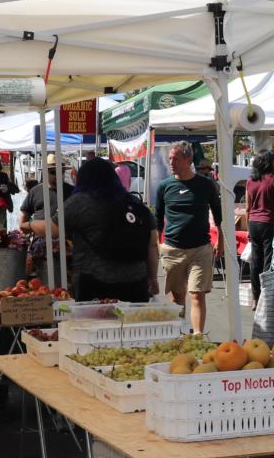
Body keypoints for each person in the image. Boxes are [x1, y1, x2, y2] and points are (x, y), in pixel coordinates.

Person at [28, 157, 157, 301]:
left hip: (93, 283)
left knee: (94, 323)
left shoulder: (80, 201)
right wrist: (153, 278)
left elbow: (51, 229)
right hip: (135, 283)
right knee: (131, 323)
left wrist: (29, 224)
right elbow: (152, 244)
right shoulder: (134, 203)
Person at [154, 141, 221, 333]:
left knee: (197, 294)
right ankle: (178, 333)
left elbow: (218, 216)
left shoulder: (206, 185)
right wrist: (158, 244)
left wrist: (221, 242)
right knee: (177, 297)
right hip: (173, 249)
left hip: (200, 249)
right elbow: (157, 218)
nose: (171, 162)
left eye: (175, 158)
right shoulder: (164, 186)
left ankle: (198, 335)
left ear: (188, 159)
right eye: (170, 159)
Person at [243, 150, 274, 305]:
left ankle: (256, 298)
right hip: (268, 222)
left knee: (255, 260)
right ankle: (266, 297)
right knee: (268, 259)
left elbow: (248, 208)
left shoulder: (250, 181)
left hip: (253, 223)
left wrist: (248, 228)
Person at [20, 157, 71, 227]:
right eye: (53, 172)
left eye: (61, 171)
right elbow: (23, 220)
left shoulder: (72, 191)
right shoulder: (35, 191)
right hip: (41, 236)